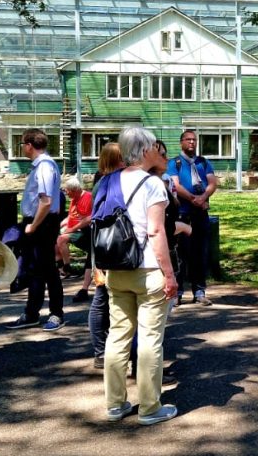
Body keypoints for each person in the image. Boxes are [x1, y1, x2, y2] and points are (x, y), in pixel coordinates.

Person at [103, 127, 179, 426]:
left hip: (116, 268)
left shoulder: (108, 181)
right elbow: (156, 231)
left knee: (118, 336)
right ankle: (150, 407)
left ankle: (114, 403)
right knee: (150, 339)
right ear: (145, 149)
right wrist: (169, 274)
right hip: (148, 269)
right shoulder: (152, 185)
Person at [6, 129, 66, 332]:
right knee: (36, 269)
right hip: (39, 222)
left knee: (47, 269)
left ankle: (56, 313)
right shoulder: (40, 166)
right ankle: (32, 312)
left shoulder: (45, 167)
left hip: (43, 223)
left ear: (30, 145)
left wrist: (34, 225)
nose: (22, 148)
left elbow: (46, 201)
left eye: (22, 143)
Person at [167, 129, 217, 305]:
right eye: (188, 139)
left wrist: (203, 197)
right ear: (181, 142)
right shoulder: (175, 163)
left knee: (200, 252)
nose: (192, 143)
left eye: (194, 140)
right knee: (181, 253)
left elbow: (212, 182)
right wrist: (192, 198)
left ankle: (199, 291)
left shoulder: (203, 162)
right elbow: (175, 184)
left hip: (201, 213)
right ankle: (178, 292)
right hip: (183, 213)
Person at [88, 142, 126, 369]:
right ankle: (100, 350)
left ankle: (104, 350)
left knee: (104, 298)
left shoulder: (103, 181)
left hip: (104, 245)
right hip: (109, 246)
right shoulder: (108, 182)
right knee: (102, 298)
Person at [58, 176, 95, 302]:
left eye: (67, 190)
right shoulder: (74, 199)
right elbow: (70, 216)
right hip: (75, 229)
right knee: (56, 240)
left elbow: (88, 219)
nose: (65, 193)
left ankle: (68, 268)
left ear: (74, 190)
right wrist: (60, 225)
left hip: (85, 231)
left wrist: (72, 229)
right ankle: (63, 269)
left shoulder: (88, 198)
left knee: (62, 239)